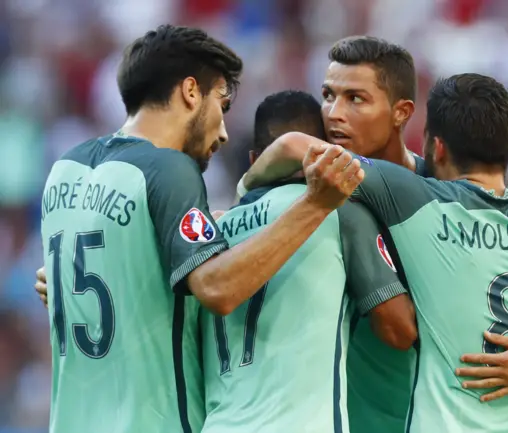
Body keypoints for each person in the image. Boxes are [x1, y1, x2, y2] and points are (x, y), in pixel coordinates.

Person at [236, 37, 508, 433]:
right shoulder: (317, 192)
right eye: (328, 95)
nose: (334, 114)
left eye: (356, 98)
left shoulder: (428, 195)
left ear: (401, 112)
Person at [38, 25, 363, 433]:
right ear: (191, 92)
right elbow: (216, 288)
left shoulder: (64, 170)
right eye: (222, 105)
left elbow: (76, 284)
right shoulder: (169, 168)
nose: (224, 132)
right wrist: (315, 205)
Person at [199, 89, 416, 433]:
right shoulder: (337, 211)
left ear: (258, 157)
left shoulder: (213, 229)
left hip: (219, 423)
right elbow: (398, 328)